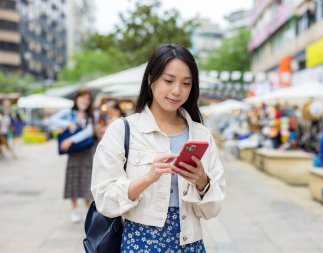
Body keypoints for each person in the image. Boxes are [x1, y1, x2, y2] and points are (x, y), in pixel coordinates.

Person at [91, 44, 226, 252]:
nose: (177, 91)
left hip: (190, 244)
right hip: (140, 243)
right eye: (169, 80)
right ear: (150, 80)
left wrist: (202, 182)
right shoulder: (123, 130)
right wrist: (147, 178)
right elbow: (104, 199)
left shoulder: (201, 135)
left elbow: (213, 209)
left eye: (186, 83)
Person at [49, 88, 94, 223]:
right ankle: (74, 210)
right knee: (72, 179)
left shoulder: (90, 115)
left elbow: (89, 132)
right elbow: (51, 121)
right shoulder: (69, 113)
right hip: (73, 153)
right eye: (82, 97)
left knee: (87, 180)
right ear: (76, 98)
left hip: (86, 151)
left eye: (87, 98)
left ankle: (87, 209)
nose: (85, 101)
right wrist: (67, 123)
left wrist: (71, 139)